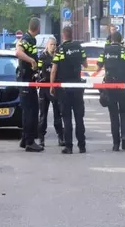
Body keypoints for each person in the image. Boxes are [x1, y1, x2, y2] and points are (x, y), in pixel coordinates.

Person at [50, 26, 86, 154]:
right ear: (72, 35)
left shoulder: (60, 50)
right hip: (77, 87)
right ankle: (82, 146)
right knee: (79, 118)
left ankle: (69, 147)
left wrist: (52, 85)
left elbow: (54, 69)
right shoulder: (79, 47)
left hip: (64, 88)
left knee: (66, 118)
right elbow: (85, 64)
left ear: (63, 35)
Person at [98, 31, 125, 151]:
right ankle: (124, 136)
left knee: (113, 115)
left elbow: (98, 66)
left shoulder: (105, 51)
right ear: (121, 40)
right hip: (122, 86)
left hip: (109, 86)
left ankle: (116, 143)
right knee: (124, 113)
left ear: (111, 40)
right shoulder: (124, 51)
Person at [16, 17, 44, 152]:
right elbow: (18, 52)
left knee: (30, 110)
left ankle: (24, 139)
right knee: (31, 111)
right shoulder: (27, 39)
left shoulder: (30, 39)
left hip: (29, 81)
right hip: (26, 81)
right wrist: (32, 61)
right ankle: (30, 142)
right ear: (38, 28)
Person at [37, 37, 63, 148]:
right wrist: (38, 78)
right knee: (43, 115)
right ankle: (41, 139)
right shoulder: (42, 57)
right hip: (44, 88)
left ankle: (61, 137)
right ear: (47, 45)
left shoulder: (58, 57)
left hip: (55, 88)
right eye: (52, 44)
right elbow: (37, 71)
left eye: (55, 44)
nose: (54, 46)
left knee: (58, 115)